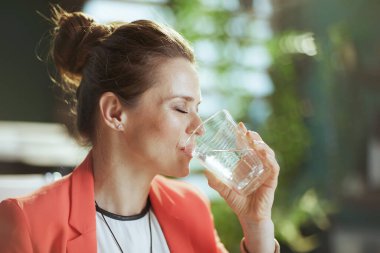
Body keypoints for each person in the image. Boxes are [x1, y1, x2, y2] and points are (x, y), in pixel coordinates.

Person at [0, 6, 280, 253]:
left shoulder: (190, 207)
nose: (199, 128)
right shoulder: (29, 222)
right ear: (115, 112)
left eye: (198, 109)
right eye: (181, 108)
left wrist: (257, 227)